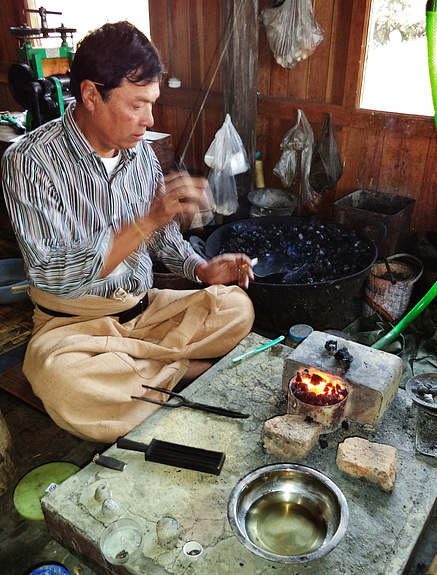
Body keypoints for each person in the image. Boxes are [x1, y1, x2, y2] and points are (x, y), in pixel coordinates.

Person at [1, 21, 255, 443]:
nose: (148, 119)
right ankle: (180, 369)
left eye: (152, 104)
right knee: (65, 384)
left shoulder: (140, 155)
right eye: (137, 105)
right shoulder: (30, 161)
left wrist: (202, 270)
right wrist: (143, 222)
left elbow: (161, 240)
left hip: (145, 310)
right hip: (73, 328)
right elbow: (53, 276)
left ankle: (148, 378)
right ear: (90, 94)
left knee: (236, 307)